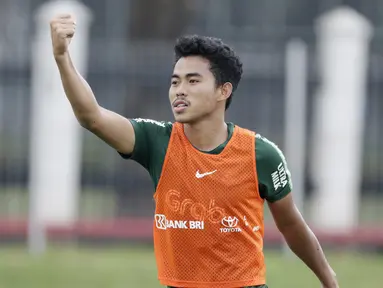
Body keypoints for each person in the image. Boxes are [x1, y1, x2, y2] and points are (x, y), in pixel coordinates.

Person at [49, 14, 339, 288]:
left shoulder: (261, 154)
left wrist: (328, 278)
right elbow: (93, 117)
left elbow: (290, 224)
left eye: (193, 80)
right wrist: (62, 57)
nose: (179, 90)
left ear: (222, 91)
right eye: (175, 81)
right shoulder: (156, 142)